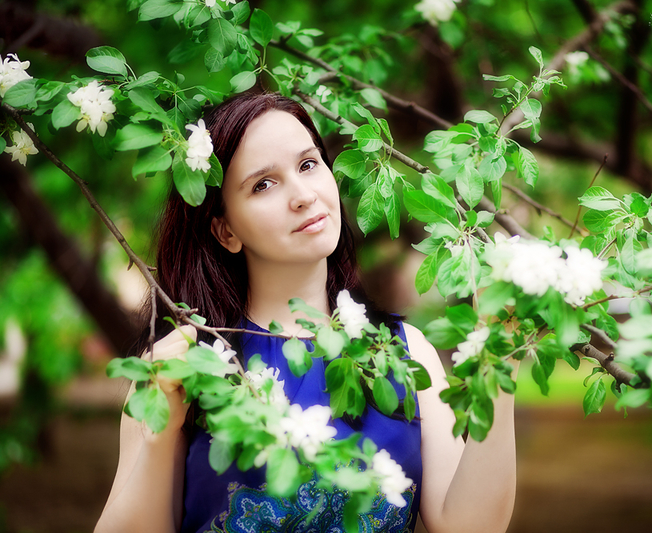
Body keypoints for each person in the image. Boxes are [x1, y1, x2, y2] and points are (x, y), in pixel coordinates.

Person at [95, 92, 517, 533]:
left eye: (309, 164)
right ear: (225, 231)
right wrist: (160, 434)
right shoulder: (182, 366)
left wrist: (501, 354)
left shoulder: (406, 353)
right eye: (263, 184)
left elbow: (471, 527)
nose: (302, 195)